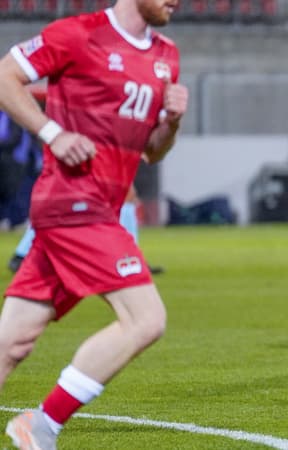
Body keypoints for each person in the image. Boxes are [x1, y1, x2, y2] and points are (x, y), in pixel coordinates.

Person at [0, 0, 188, 447]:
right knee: (146, 320)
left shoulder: (167, 55)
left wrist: (173, 123)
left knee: (13, 341)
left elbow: (152, 151)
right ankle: (41, 424)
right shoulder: (78, 33)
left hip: (98, 208)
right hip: (72, 204)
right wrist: (53, 133)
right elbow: (5, 76)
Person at [8, 185, 165, 274]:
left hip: (97, 144)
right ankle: (23, 254)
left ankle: (130, 256)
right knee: (62, 198)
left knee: (127, 193)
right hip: (83, 144)